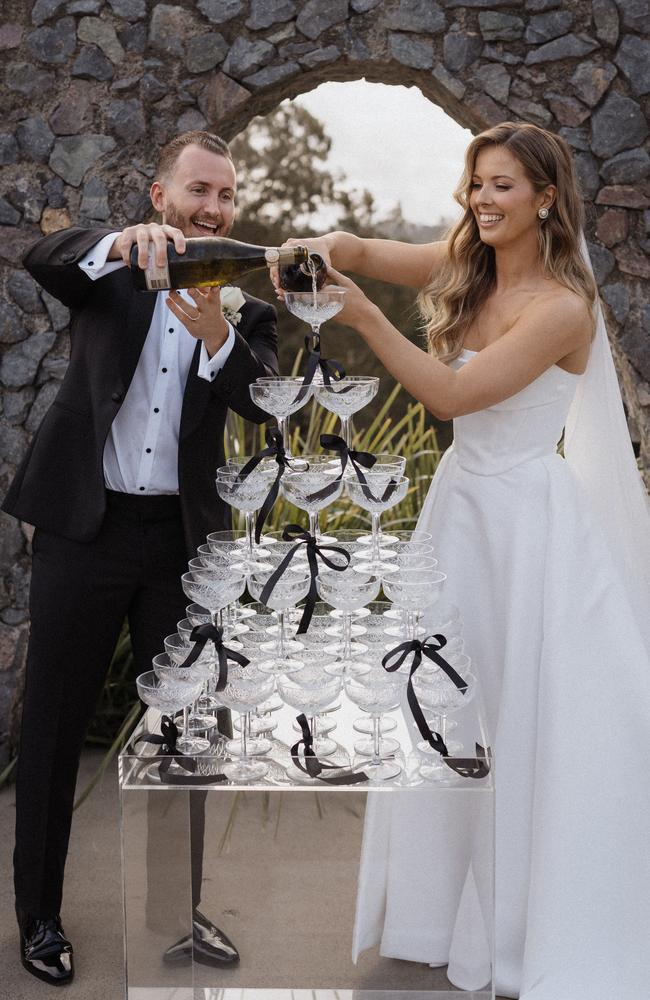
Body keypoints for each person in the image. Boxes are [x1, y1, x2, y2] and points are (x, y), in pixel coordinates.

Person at [281, 122, 650, 999]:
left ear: (546, 199)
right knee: (443, 712)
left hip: (527, 528)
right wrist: (318, 247)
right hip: (459, 516)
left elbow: (450, 394)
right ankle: (437, 914)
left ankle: (524, 920)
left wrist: (360, 313)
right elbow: (365, 247)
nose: (482, 200)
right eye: (476, 183)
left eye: (503, 187)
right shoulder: (466, 263)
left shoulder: (562, 308)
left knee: (516, 717)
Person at [3, 130, 278, 986]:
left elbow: (263, 402)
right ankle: (39, 919)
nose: (213, 207)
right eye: (199, 190)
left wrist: (218, 339)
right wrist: (119, 244)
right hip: (87, 531)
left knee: (186, 737)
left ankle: (179, 915)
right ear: (161, 197)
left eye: (226, 196)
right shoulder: (109, 272)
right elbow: (44, 257)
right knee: (51, 727)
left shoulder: (241, 307)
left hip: (183, 546)